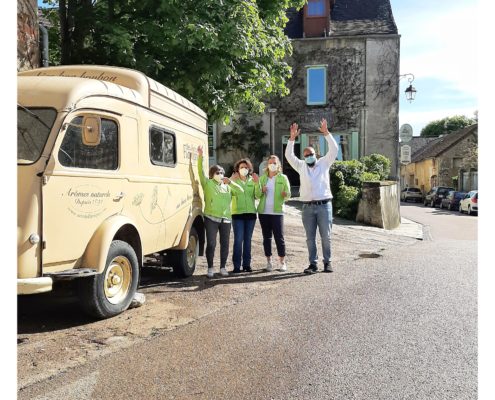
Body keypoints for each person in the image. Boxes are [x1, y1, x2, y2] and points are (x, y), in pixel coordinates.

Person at [284, 118, 339, 274]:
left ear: (316, 153)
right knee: (310, 238)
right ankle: (313, 264)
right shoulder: (301, 166)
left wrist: (326, 133)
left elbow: (334, 149)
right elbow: (289, 156)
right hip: (307, 207)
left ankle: (327, 263)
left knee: (326, 237)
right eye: (306, 155)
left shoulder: (324, 163)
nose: (308, 156)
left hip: (324, 206)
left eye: (310, 154)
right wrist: (292, 139)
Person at [197, 146, 243, 278]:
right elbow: (200, 171)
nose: (220, 174)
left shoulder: (227, 186)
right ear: (212, 174)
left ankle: (223, 267)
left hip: (226, 219)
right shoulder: (207, 183)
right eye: (217, 172)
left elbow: (240, 191)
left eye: (222, 172)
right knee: (211, 244)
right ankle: (210, 267)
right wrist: (201, 157)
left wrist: (231, 182)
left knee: (225, 244)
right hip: (211, 218)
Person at [257, 155, 291, 272]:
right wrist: (261, 190)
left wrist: (285, 194)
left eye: (274, 163)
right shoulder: (263, 179)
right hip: (264, 212)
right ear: (267, 165)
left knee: (279, 237)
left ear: (278, 165)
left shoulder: (283, 178)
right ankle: (269, 261)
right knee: (267, 237)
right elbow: (257, 195)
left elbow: (288, 194)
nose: (272, 165)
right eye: (270, 163)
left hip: (277, 212)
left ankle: (282, 262)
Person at [230, 158, 261, 273]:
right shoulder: (233, 181)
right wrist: (231, 180)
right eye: (241, 167)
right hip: (237, 214)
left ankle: (247, 265)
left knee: (248, 240)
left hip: (251, 215)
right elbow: (228, 193)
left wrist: (258, 183)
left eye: (246, 167)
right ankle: (236, 266)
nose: (244, 169)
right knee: (238, 240)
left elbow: (258, 195)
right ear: (237, 170)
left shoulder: (253, 181)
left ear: (249, 169)